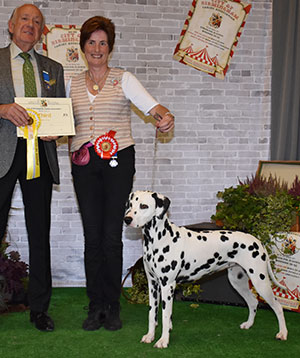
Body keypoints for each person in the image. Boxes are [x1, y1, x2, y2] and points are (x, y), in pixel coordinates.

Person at [68, 16, 174, 331]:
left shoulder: (123, 79)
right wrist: (48, 131)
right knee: (92, 237)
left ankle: (112, 307)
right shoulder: (70, 82)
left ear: (110, 48)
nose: (97, 48)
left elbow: (153, 107)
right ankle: (95, 305)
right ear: (83, 47)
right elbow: (61, 122)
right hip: (83, 163)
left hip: (118, 161)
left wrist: (165, 116)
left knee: (112, 237)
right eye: (91, 42)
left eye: (103, 42)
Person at [0, 4, 65, 331]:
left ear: (42, 31)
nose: (30, 25)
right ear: (11, 25)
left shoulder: (53, 68)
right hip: (2, 154)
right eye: (24, 19)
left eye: (37, 22)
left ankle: (40, 309)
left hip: (39, 152)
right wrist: (2, 108)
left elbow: (62, 113)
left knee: (40, 233)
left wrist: (58, 129)